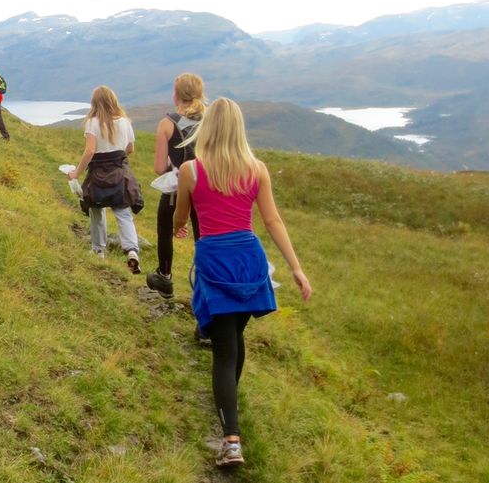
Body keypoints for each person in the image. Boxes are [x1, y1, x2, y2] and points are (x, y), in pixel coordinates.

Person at [172, 97, 312, 468]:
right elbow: (273, 221)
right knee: (235, 340)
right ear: (239, 129)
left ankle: (231, 439)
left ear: (209, 128)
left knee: (224, 350)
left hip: (215, 260)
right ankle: (229, 407)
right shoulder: (257, 169)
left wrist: (178, 227)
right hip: (250, 262)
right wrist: (295, 268)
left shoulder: (191, 171)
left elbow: (181, 216)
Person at [68, 86, 144, 274]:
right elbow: (130, 148)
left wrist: (76, 172)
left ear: (94, 103)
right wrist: (117, 156)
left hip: (98, 173)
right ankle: (132, 251)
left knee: (97, 210)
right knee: (124, 213)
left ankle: (98, 250)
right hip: (119, 172)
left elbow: (90, 150)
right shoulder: (125, 122)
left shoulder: (92, 123)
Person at [147, 73, 206, 300]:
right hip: (206, 188)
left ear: (177, 94)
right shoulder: (209, 121)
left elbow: (159, 167)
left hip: (176, 188)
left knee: (165, 228)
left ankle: (165, 276)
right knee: (203, 238)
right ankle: (204, 289)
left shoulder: (167, 123)